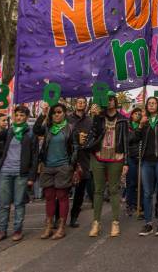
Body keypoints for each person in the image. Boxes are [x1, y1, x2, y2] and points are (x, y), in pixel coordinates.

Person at [0, 106, 38, 242]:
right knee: (4, 204)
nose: (18, 118)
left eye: (22, 115)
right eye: (17, 115)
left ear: (26, 118)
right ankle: (1, 230)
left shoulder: (30, 134)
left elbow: (35, 157)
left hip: (21, 174)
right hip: (5, 171)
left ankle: (17, 230)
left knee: (19, 203)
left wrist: (31, 177)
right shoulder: (9, 131)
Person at [85, 94, 129, 238]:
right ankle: (96, 223)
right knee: (98, 190)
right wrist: (96, 116)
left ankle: (115, 223)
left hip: (116, 157)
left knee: (114, 190)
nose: (109, 101)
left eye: (111, 99)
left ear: (115, 102)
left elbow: (125, 141)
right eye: (107, 98)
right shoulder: (98, 117)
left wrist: (126, 162)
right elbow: (93, 133)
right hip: (98, 156)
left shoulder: (123, 119)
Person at [34, 102, 79, 240]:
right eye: (54, 112)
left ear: (64, 113)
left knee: (62, 196)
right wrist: (43, 113)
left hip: (63, 167)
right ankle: (48, 226)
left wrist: (71, 166)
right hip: (48, 166)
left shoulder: (70, 128)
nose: (56, 115)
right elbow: (36, 130)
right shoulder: (48, 127)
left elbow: (76, 148)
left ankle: (61, 227)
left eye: (59, 112)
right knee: (48, 197)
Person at [133, 96, 158, 236]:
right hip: (146, 162)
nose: (151, 105)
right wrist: (141, 125)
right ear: (147, 106)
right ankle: (148, 223)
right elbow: (135, 139)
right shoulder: (144, 121)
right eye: (149, 103)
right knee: (147, 193)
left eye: (154, 103)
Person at [67, 97, 93, 228]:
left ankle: (74, 217)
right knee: (64, 190)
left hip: (84, 159)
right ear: (75, 104)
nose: (81, 104)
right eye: (79, 102)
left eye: (83, 102)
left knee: (80, 192)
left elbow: (94, 138)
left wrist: (86, 142)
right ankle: (58, 218)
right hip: (68, 158)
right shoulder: (68, 119)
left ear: (86, 105)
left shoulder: (90, 120)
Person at [126, 107, 143, 217]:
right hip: (131, 157)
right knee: (131, 182)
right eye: (136, 113)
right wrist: (139, 128)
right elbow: (130, 139)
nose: (138, 115)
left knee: (141, 182)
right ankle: (130, 204)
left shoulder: (144, 125)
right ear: (131, 115)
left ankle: (140, 204)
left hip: (142, 157)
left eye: (139, 114)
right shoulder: (128, 126)